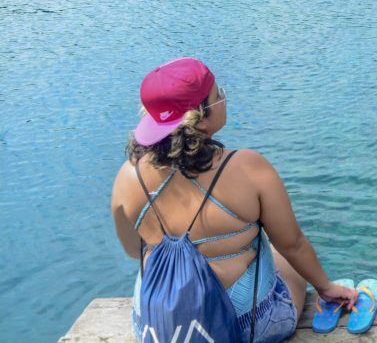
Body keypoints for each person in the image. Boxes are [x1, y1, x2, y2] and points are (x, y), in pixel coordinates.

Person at [111, 58, 357, 342]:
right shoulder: (247, 167)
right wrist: (325, 287)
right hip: (242, 327)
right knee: (283, 256)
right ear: (201, 115)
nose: (224, 99)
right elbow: (293, 243)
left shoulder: (127, 175)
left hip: (159, 326)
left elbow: (134, 251)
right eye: (219, 94)